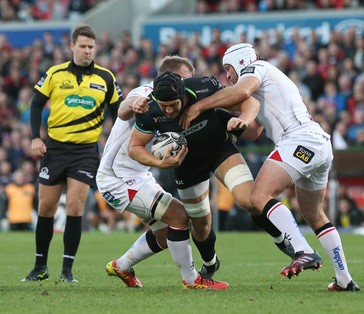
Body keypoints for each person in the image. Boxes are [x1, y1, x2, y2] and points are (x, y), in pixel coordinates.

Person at [182, 43, 360, 292]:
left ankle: (304, 251)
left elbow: (240, 91)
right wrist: (235, 121)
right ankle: (345, 279)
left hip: (299, 140)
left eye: (229, 69)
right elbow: (255, 133)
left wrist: (199, 105)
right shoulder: (262, 81)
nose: (228, 76)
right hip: (316, 143)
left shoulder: (257, 68)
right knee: (315, 215)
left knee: (258, 196)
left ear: (241, 61)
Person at [128, 70, 301, 281]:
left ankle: (283, 240)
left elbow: (249, 102)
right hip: (187, 165)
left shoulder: (204, 87)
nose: (169, 110)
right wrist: (160, 162)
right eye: (164, 106)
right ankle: (210, 264)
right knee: (201, 226)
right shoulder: (149, 109)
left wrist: (243, 120)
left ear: (183, 93)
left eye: (174, 104)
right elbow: (134, 147)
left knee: (249, 199)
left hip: (219, 149)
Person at [96, 56, 228, 290]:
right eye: (186, 78)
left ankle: (121, 266)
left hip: (140, 176)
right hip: (116, 178)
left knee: (165, 234)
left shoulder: (179, 104)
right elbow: (126, 108)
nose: (190, 85)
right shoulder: (147, 93)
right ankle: (192, 280)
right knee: (179, 216)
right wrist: (134, 104)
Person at [22, 24, 123, 283]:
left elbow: (119, 114)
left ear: (95, 48)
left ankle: (67, 270)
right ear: (72, 47)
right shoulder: (55, 74)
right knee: (46, 207)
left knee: (75, 207)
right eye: (83, 46)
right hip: (55, 148)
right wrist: (35, 137)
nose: (87, 51)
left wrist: (116, 144)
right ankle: (40, 266)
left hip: (85, 151)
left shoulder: (106, 78)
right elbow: (35, 105)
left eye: (91, 47)